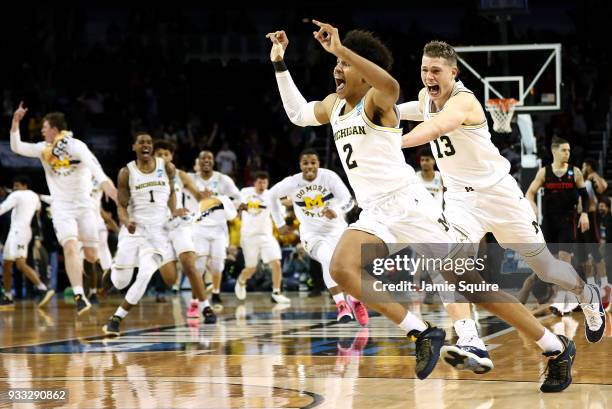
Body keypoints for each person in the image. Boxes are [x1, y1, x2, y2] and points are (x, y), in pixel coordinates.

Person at [397, 40, 603, 391]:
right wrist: (369, 115)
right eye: (424, 69)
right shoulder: (425, 96)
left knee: (547, 270)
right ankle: (469, 338)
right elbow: (405, 111)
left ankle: (587, 295)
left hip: (501, 197)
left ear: (453, 72)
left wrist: (389, 144)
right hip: (461, 201)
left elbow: (433, 128)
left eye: (435, 70)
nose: (428, 76)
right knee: (444, 262)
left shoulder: (464, 100)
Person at [269, 22, 455, 380]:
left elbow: (392, 85)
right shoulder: (334, 105)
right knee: (340, 269)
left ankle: (550, 344)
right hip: (376, 210)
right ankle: (421, 331)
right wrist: (279, 62)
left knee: (471, 284)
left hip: (410, 203)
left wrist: (340, 49)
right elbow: (297, 114)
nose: (337, 68)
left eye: (345, 63)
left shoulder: (376, 99)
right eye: (336, 63)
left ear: (364, 70)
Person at [10, 102, 117, 315]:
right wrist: (15, 122)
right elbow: (17, 147)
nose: (41, 130)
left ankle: (93, 285)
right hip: (62, 207)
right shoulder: (43, 149)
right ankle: (79, 295)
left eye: (44, 127)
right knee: (69, 246)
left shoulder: (77, 146)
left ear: (55, 129)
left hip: (85, 205)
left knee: (92, 255)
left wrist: (110, 189)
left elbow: (97, 169)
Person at [252, 148, 368, 324]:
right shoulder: (292, 182)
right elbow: (271, 197)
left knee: (347, 265)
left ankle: (354, 299)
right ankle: (341, 304)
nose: (309, 166)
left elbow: (348, 201)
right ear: (300, 165)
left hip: (337, 230)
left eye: (313, 162)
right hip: (312, 234)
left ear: (318, 164)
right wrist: (279, 223)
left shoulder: (329, 177)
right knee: (328, 259)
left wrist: (335, 210)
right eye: (305, 163)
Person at [102, 133, 190, 336]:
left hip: (159, 233)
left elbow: (172, 192)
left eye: (149, 142)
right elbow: (121, 206)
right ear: (134, 147)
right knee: (120, 282)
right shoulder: (126, 172)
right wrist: (125, 221)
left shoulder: (167, 167)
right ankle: (114, 268)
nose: (145, 145)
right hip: (135, 230)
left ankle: (116, 319)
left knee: (145, 275)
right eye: (141, 142)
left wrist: (174, 209)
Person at [153, 140, 217, 323]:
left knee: (190, 263)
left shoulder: (180, 175)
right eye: (159, 154)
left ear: (171, 156)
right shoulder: (145, 177)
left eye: (166, 154)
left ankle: (206, 308)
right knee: (171, 279)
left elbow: (197, 195)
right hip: (159, 230)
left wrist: (203, 197)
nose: (163, 157)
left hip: (179, 225)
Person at [191, 150, 242, 307]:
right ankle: (195, 299)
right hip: (198, 228)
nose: (206, 160)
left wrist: (222, 203)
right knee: (198, 267)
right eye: (203, 158)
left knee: (218, 264)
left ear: (214, 161)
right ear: (198, 162)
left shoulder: (223, 179)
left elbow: (238, 198)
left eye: (209, 158)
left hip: (219, 228)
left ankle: (216, 294)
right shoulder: (191, 179)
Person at [234, 171, 291, 304]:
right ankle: (241, 281)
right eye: (259, 182)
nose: (262, 185)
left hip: (266, 236)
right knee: (251, 268)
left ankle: (276, 292)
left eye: (265, 182)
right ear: (254, 183)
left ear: (268, 183)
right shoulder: (244, 192)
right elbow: (236, 206)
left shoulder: (272, 196)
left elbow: (280, 213)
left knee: (276, 262)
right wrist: (239, 208)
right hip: (248, 236)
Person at [0, 176, 55, 308]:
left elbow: (2, 208)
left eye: (17, 185)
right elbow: (37, 215)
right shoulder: (35, 198)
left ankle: (42, 288)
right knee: (7, 264)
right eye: (14, 186)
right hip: (23, 232)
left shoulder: (17, 195)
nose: (15, 188)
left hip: (18, 233)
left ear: (25, 186)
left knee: (20, 264)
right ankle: (8, 296)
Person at [579, 158, 609, 302]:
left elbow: (603, 187)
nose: (582, 168)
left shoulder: (592, 178)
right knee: (583, 253)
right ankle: (591, 284)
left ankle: (604, 284)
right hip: (580, 218)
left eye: (584, 165)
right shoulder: (583, 180)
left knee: (595, 252)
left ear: (589, 166)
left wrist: (594, 173)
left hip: (592, 217)